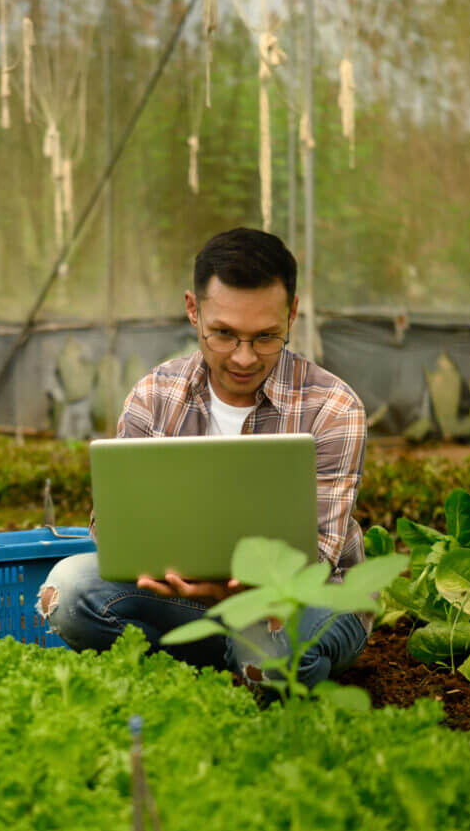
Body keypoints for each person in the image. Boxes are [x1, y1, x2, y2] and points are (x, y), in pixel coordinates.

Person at [37, 227, 370, 692]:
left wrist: (232, 588)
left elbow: (318, 559)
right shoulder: (154, 395)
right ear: (193, 310)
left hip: (300, 600)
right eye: (224, 334)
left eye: (267, 337)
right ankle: (216, 667)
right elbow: (109, 531)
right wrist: (163, 568)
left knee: (272, 658)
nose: (244, 357)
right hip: (178, 595)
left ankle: (232, 665)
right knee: (68, 591)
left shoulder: (333, 408)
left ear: (292, 314)